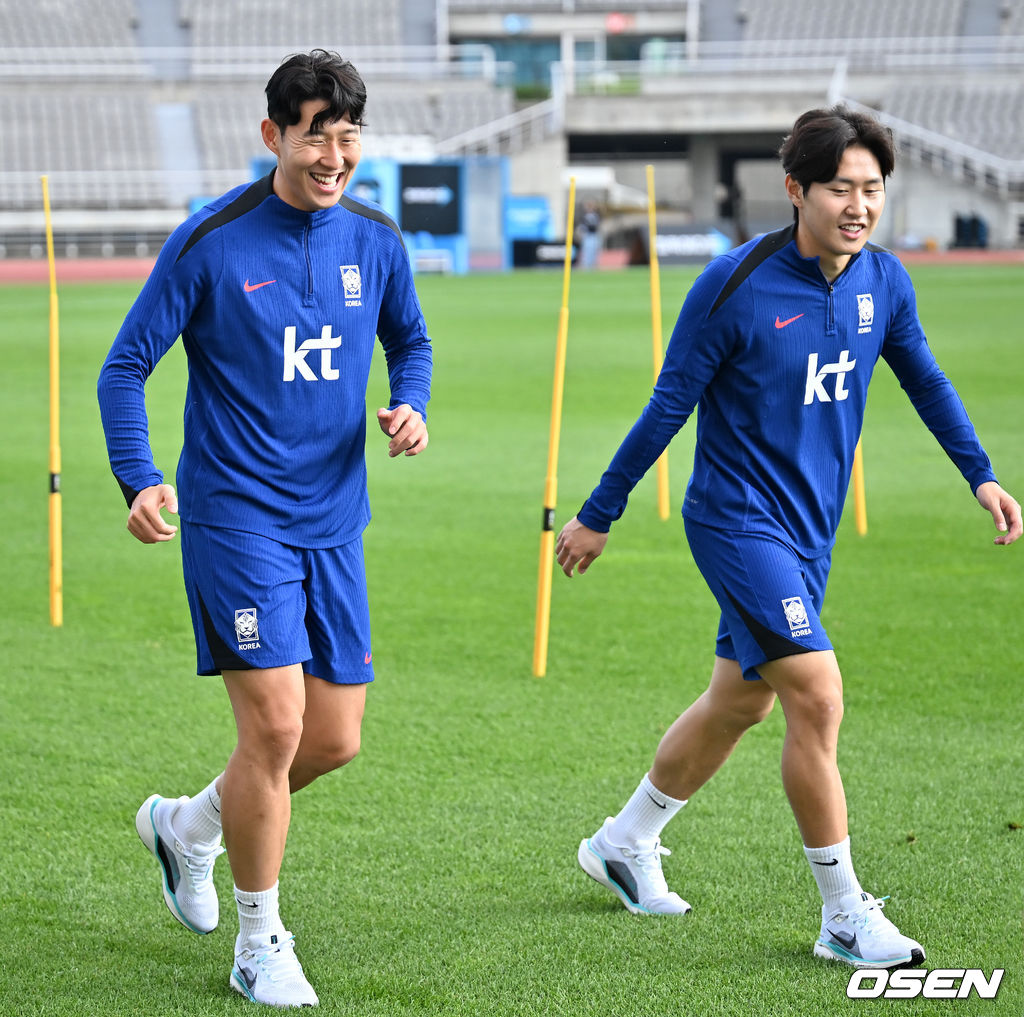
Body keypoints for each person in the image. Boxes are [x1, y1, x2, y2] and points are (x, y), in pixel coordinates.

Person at [555, 105, 1020, 969]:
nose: (859, 203)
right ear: (795, 188)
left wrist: (980, 472)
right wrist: (600, 511)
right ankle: (844, 912)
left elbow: (924, 376)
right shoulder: (735, 285)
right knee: (817, 692)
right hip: (735, 520)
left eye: (873, 188)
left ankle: (625, 840)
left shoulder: (885, 279)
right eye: (840, 186)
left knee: (742, 698)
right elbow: (669, 405)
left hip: (810, 530)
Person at [97, 50, 432, 1007]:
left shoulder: (376, 238)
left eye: (347, 133)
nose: (333, 153)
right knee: (276, 726)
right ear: (272, 135)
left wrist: (410, 401)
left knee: (331, 740)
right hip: (235, 516)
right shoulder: (213, 240)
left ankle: (187, 826)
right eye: (314, 131)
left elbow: (409, 338)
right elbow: (126, 367)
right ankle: (258, 939)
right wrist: (140, 476)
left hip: (336, 521)